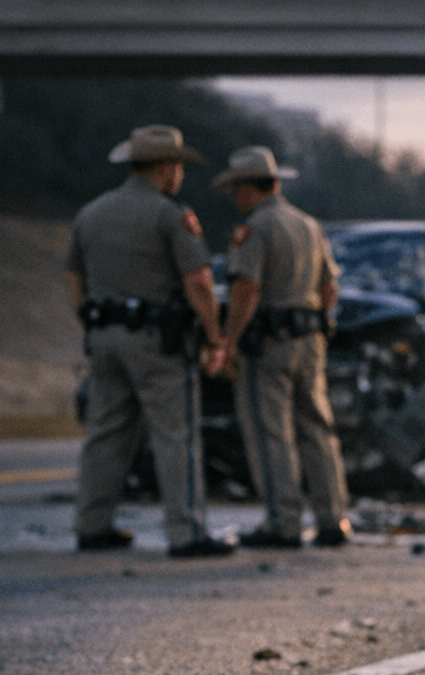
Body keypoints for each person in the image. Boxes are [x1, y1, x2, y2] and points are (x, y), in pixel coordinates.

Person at [65, 125, 234, 557]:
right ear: (167, 169)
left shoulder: (91, 213)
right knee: (175, 435)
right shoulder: (170, 215)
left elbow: (73, 277)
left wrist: (92, 320)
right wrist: (216, 336)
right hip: (159, 341)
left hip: (104, 337)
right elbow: (198, 280)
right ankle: (187, 532)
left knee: (105, 432)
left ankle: (92, 525)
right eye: (178, 167)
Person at [212, 146, 350, 548]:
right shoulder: (309, 225)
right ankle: (333, 519)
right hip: (310, 342)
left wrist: (230, 341)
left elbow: (247, 290)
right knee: (318, 430)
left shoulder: (254, 228)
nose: (235, 199)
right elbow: (329, 288)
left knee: (271, 432)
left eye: (236, 190)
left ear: (247, 189)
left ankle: (283, 522)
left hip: (269, 344)